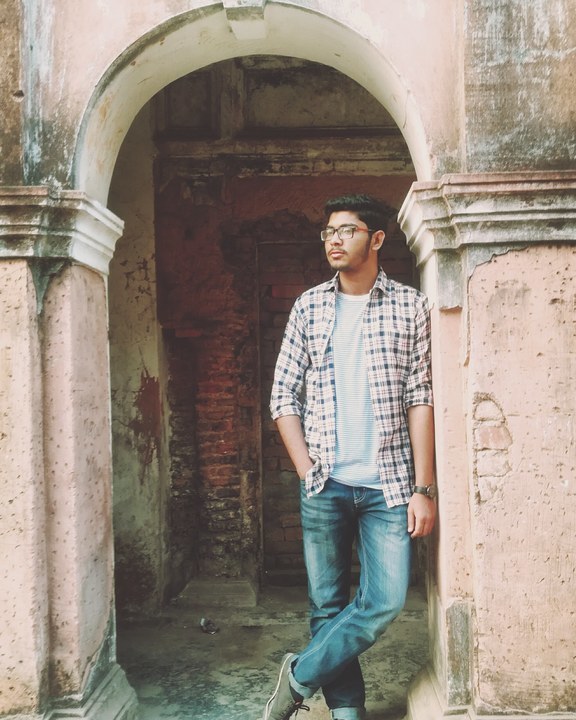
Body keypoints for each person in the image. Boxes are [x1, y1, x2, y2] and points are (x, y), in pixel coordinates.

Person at [262, 194, 436, 720]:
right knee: (328, 604)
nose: (334, 240)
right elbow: (282, 395)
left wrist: (422, 488)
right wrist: (306, 469)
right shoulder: (309, 306)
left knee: (384, 602)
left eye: (348, 231)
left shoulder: (411, 306)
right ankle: (346, 711)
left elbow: (420, 397)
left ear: (376, 239)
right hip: (326, 483)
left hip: (390, 485)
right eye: (329, 232)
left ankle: (298, 677)